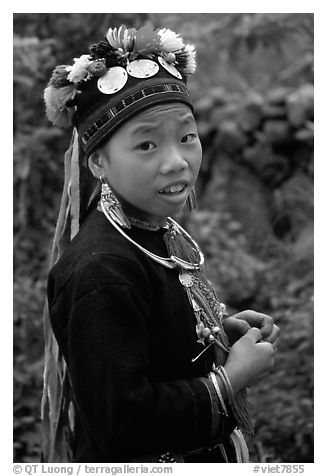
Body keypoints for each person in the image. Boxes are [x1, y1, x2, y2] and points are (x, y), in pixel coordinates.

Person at [42, 24, 279, 464]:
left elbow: (150, 343)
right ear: (98, 162)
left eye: (187, 137)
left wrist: (218, 334)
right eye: (147, 144)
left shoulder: (149, 229)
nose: (177, 162)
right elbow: (122, 424)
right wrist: (231, 379)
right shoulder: (100, 273)